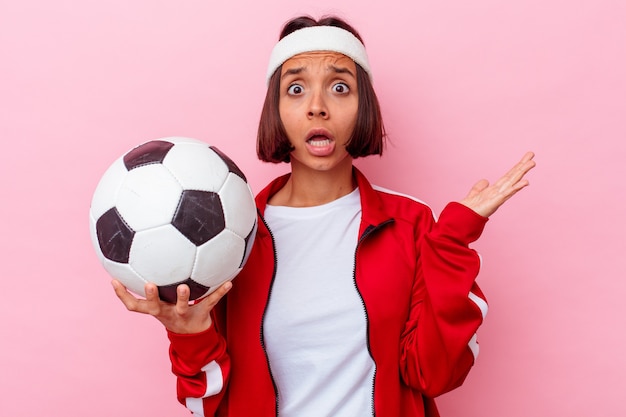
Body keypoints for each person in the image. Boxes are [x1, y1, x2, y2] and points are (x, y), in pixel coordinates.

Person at [112, 15, 536, 417]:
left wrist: (451, 242)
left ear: (362, 106)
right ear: (275, 110)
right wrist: (188, 334)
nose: (317, 107)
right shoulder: (228, 237)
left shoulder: (411, 226)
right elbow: (208, 404)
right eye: (296, 89)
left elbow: (435, 373)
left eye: (339, 88)